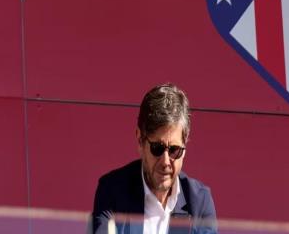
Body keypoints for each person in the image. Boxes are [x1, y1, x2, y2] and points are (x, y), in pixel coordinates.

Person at [91, 83, 217, 234]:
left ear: (185, 146)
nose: (165, 162)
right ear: (140, 140)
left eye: (174, 150)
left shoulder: (199, 202)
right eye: (157, 148)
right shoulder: (112, 191)